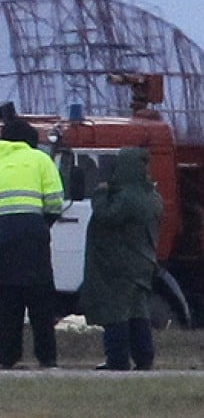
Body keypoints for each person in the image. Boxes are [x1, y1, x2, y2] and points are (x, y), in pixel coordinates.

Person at [0, 117, 64, 369]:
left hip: (2, 240)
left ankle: (7, 359)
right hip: (34, 237)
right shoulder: (40, 161)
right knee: (41, 305)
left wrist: (0, 223)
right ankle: (46, 358)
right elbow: (56, 199)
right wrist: (44, 222)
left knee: (5, 305)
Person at [80, 147, 163, 371]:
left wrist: (99, 194)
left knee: (115, 311)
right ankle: (144, 358)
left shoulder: (126, 197)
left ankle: (117, 359)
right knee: (138, 312)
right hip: (143, 262)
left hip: (118, 265)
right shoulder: (152, 196)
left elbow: (106, 216)